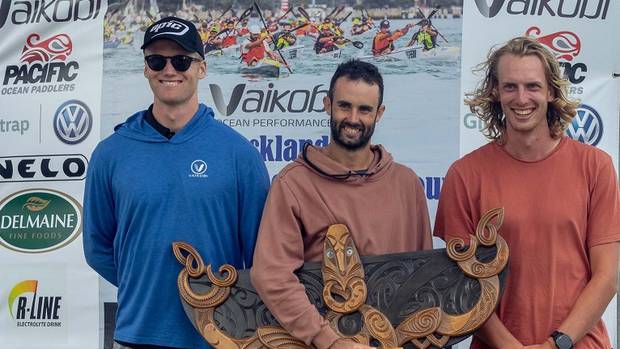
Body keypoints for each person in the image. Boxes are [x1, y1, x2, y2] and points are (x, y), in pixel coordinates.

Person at [83, 16, 270, 349]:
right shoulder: (109, 154)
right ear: (145, 68)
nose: (169, 70)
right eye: (157, 60)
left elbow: (262, 256)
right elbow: (97, 248)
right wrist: (146, 285)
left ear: (201, 67)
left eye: (181, 60)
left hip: (220, 338)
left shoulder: (239, 154)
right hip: (136, 334)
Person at [434, 36, 620, 349]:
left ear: (551, 91)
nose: (522, 98)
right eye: (510, 86)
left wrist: (556, 343)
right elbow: (462, 286)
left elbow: (608, 276)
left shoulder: (595, 167)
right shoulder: (464, 175)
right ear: (495, 91)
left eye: (533, 86)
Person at [250, 59, 433, 349]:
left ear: (379, 113)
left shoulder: (407, 184)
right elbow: (271, 275)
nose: (353, 118)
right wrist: (328, 340)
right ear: (327, 104)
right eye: (344, 106)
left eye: (364, 109)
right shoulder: (293, 184)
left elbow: (424, 275)